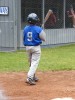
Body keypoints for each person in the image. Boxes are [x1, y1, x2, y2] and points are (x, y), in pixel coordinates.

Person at [23, 13, 46, 85]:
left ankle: (33, 76)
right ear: (35, 20)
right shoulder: (38, 29)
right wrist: (41, 31)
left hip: (27, 47)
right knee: (34, 63)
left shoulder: (25, 28)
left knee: (31, 63)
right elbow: (44, 38)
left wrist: (39, 30)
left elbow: (24, 38)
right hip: (36, 48)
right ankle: (29, 78)